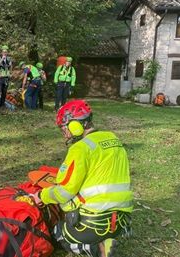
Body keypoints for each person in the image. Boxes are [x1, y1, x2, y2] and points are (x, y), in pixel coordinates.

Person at [36, 100, 133, 257]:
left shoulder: (80, 148)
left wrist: (42, 195)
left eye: (64, 128)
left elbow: (64, 192)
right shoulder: (113, 139)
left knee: (57, 232)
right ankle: (110, 239)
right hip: (121, 223)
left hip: (95, 224)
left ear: (75, 125)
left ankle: (96, 250)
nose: (65, 133)